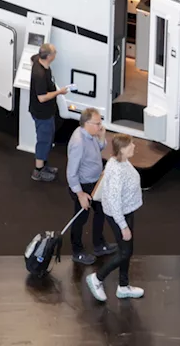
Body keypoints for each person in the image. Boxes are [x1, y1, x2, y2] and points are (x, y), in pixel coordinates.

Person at [85, 133, 144, 301]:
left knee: (126, 250)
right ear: (123, 150)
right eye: (131, 144)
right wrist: (123, 225)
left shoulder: (120, 161)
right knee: (125, 252)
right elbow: (113, 200)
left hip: (127, 210)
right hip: (120, 214)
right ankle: (97, 278)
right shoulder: (117, 170)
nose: (134, 146)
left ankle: (123, 286)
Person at [67, 108, 113, 265]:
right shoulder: (78, 142)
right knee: (80, 219)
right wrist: (80, 194)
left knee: (101, 211)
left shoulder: (91, 135)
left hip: (95, 182)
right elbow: (71, 173)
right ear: (87, 123)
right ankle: (77, 251)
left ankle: (99, 244)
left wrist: (102, 137)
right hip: (84, 186)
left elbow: (97, 149)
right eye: (98, 123)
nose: (101, 126)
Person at [28, 44, 67, 181]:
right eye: (54, 52)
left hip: (46, 111)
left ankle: (44, 165)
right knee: (44, 140)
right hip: (42, 113)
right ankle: (38, 171)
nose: (56, 54)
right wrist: (59, 92)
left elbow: (32, 58)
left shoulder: (39, 62)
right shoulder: (39, 74)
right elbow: (42, 97)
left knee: (48, 138)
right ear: (49, 56)